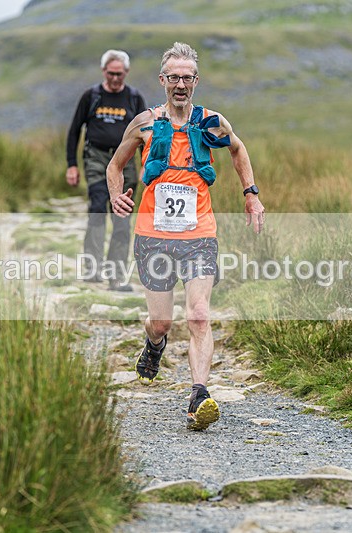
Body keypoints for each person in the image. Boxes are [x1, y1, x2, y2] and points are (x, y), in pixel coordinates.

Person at [106, 42, 265, 431]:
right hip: (153, 235)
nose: (181, 84)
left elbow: (238, 149)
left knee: (198, 314)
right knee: (161, 322)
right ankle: (154, 343)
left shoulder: (211, 122)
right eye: (174, 77)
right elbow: (115, 166)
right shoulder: (144, 123)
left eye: (187, 78)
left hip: (199, 235)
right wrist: (115, 195)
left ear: (196, 81)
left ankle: (199, 396)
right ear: (162, 80)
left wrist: (251, 194)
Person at [66, 49, 147, 291]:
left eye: (119, 74)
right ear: (103, 71)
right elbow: (74, 131)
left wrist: (146, 165)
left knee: (122, 215)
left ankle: (116, 276)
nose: (115, 78)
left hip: (125, 161)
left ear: (126, 72)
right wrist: (71, 164)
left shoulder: (134, 98)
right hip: (96, 158)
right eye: (111, 73)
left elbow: (146, 134)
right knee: (98, 207)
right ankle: (93, 269)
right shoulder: (91, 96)